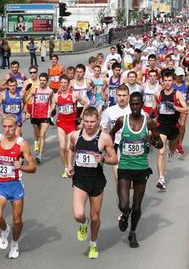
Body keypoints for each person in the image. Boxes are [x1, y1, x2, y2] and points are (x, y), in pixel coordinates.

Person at [110, 92, 163, 248]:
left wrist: (152, 140)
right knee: (124, 204)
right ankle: (125, 215)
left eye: (137, 104)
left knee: (137, 206)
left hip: (141, 168)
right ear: (129, 104)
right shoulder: (122, 121)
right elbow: (111, 134)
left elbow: (160, 145)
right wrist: (112, 150)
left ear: (142, 104)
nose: (134, 107)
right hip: (125, 166)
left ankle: (132, 233)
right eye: (132, 104)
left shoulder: (149, 123)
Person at [0, 115, 37, 259]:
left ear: (16, 127)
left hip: (15, 186)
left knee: (17, 220)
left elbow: (33, 167)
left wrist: (22, 167)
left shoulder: (22, 144)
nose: (7, 130)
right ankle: (5, 229)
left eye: (10, 127)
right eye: (5, 126)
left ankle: (14, 244)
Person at [66, 107, 117, 259]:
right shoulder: (75, 136)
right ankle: (83, 224)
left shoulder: (105, 138)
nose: (89, 125)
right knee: (78, 214)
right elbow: (70, 150)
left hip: (96, 181)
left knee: (95, 217)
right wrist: (69, 165)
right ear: (83, 121)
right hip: (80, 180)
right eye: (86, 121)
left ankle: (93, 243)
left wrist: (104, 159)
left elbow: (115, 158)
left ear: (98, 121)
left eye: (92, 122)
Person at [154, 72, 188, 190]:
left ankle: (172, 151)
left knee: (172, 147)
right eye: (165, 80)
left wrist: (174, 107)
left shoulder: (177, 94)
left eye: (169, 80)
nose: (167, 83)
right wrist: (153, 113)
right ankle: (161, 179)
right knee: (161, 152)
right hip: (161, 126)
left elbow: (186, 109)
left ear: (172, 81)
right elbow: (155, 108)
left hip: (173, 127)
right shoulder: (158, 94)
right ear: (162, 81)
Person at [52, 75, 89, 178]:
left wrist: (80, 117)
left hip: (72, 124)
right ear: (59, 83)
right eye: (62, 83)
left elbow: (86, 104)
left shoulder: (74, 95)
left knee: (69, 147)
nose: (63, 85)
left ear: (68, 84)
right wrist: (50, 113)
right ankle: (65, 167)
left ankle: (69, 166)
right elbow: (52, 108)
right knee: (62, 146)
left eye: (65, 83)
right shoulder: (56, 96)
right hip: (61, 124)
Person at [101, 84, 131, 180]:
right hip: (116, 144)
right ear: (115, 96)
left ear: (128, 96)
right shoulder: (109, 110)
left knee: (130, 180)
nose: (121, 98)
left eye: (124, 95)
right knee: (119, 179)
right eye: (119, 95)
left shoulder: (134, 110)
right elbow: (103, 128)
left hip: (131, 144)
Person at [27, 73, 53, 164]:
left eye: (44, 80)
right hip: (35, 115)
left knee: (42, 134)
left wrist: (51, 110)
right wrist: (26, 111)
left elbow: (53, 101)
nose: (42, 82)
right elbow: (26, 99)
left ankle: (40, 155)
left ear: (47, 81)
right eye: (41, 80)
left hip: (45, 115)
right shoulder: (35, 90)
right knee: (38, 134)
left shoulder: (50, 91)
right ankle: (37, 142)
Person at [173, 67, 189, 156]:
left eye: (181, 76)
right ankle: (175, 141)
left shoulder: (186, 84)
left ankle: (180, 144)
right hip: (175, 109)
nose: (180, 77)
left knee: (182, 125)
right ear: (175, 75)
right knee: (175, 126)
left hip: (183, 109)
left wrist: (188, 99)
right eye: (178, 75)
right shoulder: (172, 85)